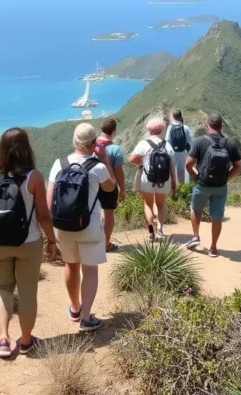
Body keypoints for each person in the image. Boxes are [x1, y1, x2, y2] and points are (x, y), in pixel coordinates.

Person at [0, 127, 57, 358]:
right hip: (28, 242)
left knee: (1, 288)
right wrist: (52, 241)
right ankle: (27, 341)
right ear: (26, 149)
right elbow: (43, 215)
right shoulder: (34, 177)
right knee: (28, 290)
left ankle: (3, 339)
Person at [47, 123, 116, 332]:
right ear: (94, 143)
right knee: (90, 270)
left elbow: (50, 200)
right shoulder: (98, 166)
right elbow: (111, 187)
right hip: (89, 225)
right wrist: (103, 159)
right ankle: (86, 318)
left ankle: (75, 308)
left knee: (71, 266)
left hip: (62, 226)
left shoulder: (59, 164)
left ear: (74, 141)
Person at [184, 112, 241, 257]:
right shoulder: (230, 143)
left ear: (207, 125)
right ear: (221, 126)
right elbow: (238, 166)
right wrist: (227, 177)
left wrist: (194, 175)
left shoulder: (199, 141)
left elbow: (188, 163)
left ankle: (196, 236)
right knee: (217, 215)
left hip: (202, 183)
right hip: (220, 186)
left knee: (195, 209)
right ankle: (214, 247)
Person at [128, 117, 178, 241]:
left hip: (147, 177)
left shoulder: (143, 143)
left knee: (148, 204)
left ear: (148, 130)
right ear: (161, 130)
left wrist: (142, 163)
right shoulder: (167, 145)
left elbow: (132, 158)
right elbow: (172, 164)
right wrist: (173, 180)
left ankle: (151, 232)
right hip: (164, 179)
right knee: (160, 205)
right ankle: (160, 231)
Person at [95, 118, 126, 252]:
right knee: (108, 214)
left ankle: (93, 241)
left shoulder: (91, 146)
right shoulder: (115, 149)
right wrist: (122, 189)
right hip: (109, 184)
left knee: (93, 212)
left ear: (101, 130)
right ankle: (106, 243)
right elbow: (118, 171)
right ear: (113, 131)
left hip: (92, 184)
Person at [166, 109, 193, 184]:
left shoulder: (170, 127)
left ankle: (173, 187)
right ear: (181, 117)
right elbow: (190, 141)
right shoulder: (185, 127)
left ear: (173, 117)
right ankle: (181, 186)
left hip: (172, 153)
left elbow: (167, 140)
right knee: (181, 171)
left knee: (171, 170)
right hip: (182, 152)